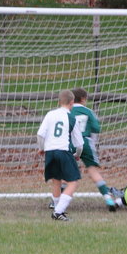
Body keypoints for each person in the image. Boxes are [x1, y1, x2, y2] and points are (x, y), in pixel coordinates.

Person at [37, 89, 84, 221]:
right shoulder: (71, 118)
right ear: (72, 102)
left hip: (50, 151)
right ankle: (58, 212)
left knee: (56, 181)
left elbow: (40, 134)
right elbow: (80, 144)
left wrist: (42, 148)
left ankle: (57, 209)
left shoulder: (50, 114)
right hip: (63, 150)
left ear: (59, 102)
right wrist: (77, 154)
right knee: (73, 182)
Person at [70, 87, 117, 212]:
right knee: (93, 171)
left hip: (70, 143)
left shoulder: (68, 111)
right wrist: (93, 142)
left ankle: (56, 201)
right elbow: (96, 128)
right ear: (83, 99)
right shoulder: (88, 111)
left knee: (66, 172)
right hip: (85, 142)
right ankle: (108, 198)